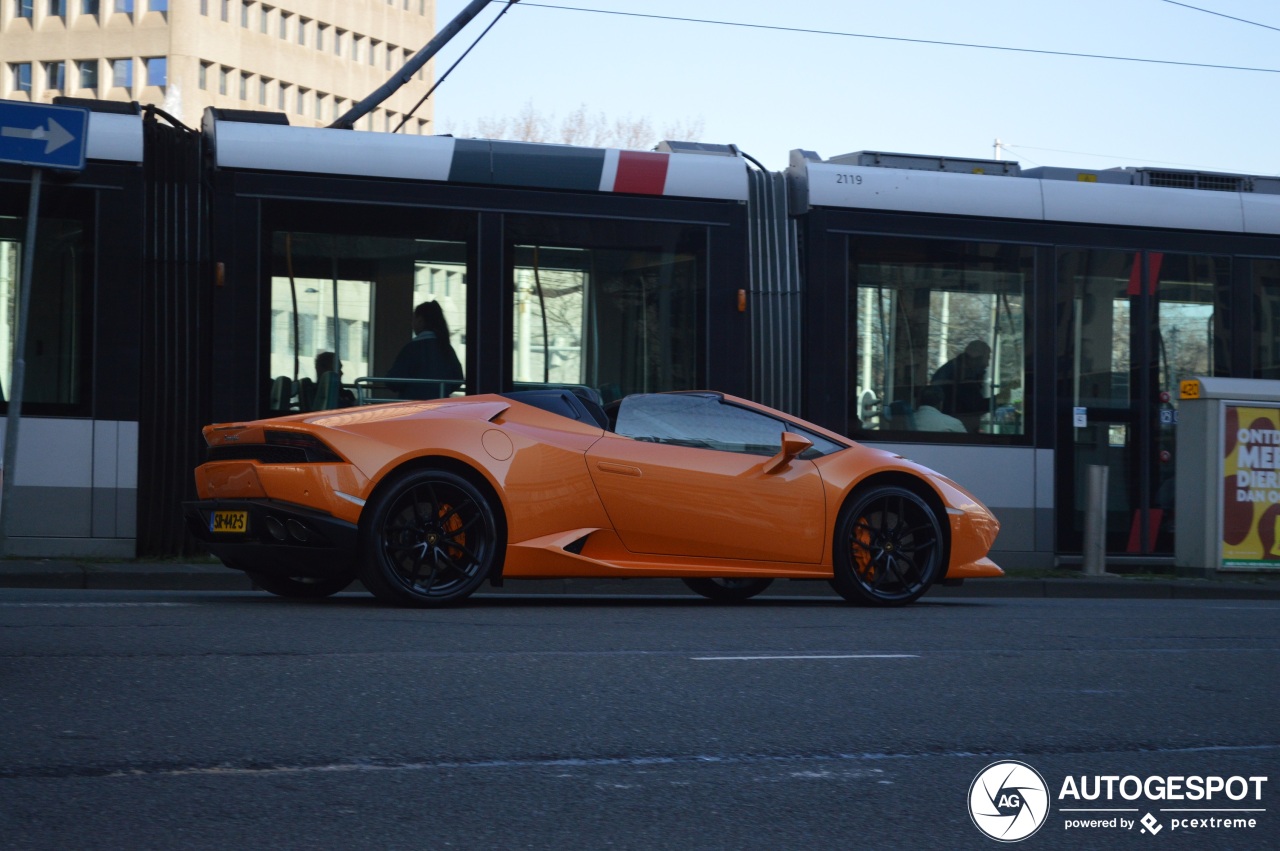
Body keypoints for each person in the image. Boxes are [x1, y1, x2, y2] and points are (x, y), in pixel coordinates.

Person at [386, 301, 464, 399]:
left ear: (420, 320)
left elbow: (393, 382)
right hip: (440, 406)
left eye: (413, 319)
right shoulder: (446, 348)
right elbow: (457, 379)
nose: (412, 323)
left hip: (413, 407)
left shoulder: (411, 349)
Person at [931, 340, 991, 432]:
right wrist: (999, 399)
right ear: (976, 358)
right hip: (956, 431)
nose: (987, 364)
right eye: (987, 359)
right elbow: (974, 406)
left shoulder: (955, 368)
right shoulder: (963, 374)